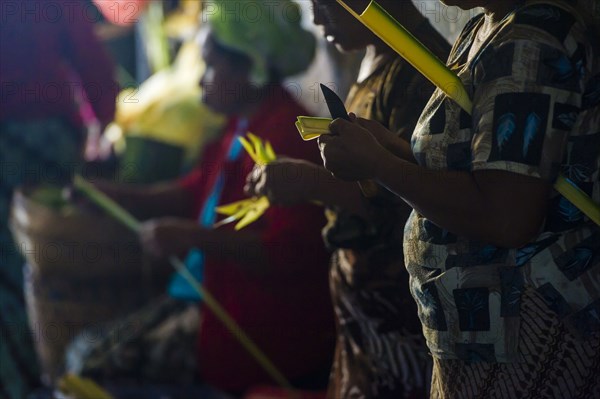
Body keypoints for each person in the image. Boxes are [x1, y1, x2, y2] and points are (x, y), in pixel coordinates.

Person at [317, 0, 600, 397]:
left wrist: (380, 165)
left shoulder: (532, 36)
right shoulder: (482, 30)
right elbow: (467, 170)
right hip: (481, 333)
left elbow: (507, 216)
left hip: (527, 324)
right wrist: (389, 151)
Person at [83, 0, 335, 395]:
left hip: (256, 330)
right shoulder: (241, 124)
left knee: (91, 367)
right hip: (213, 302)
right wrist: (112, 195)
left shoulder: (287, 137)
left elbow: (292, 251)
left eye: (211, 66)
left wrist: (192, 238)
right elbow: (194, 192)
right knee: (87, 356)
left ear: (250, 70)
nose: (201, 80)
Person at [246, 1, 450, 397]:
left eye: (326, 5)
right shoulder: (378, 58)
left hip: (402, 325)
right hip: (367, 328)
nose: (318, 19)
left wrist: (314, 184)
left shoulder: (418, 71)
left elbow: (418, 204)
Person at [0, 1, 117, 396]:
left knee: (13, 272)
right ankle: (56, 372)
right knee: (48, 260)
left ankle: (23, 379)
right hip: (50, 142)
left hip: (31, 145)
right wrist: (102, 125)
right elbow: (93, 61)